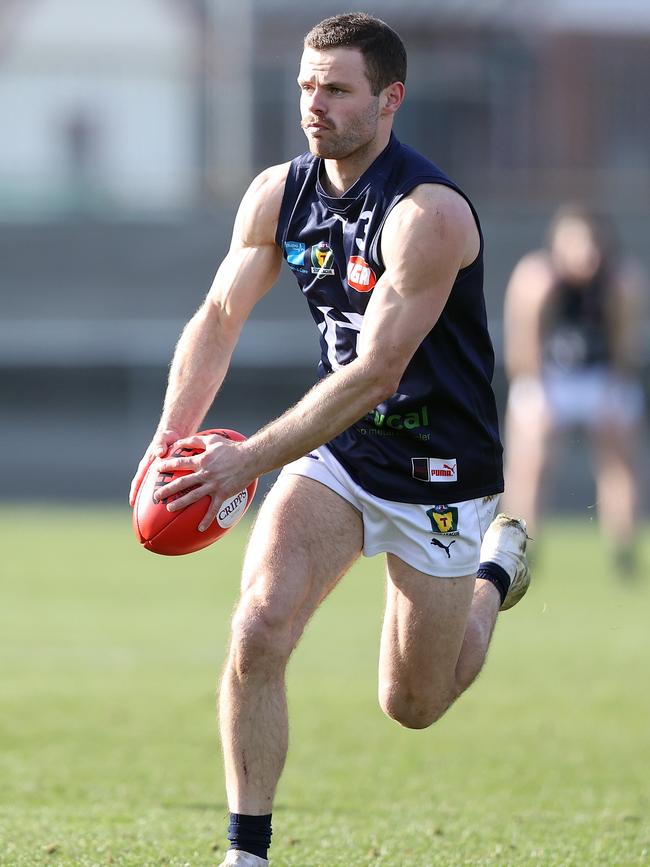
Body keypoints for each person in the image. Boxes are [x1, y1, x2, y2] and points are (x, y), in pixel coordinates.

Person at [129, 14, 531, 866]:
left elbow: (376, 373)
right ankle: (247, 852)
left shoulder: (429, 214)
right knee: (259, 628)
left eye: (337, 89)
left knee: (413, 702)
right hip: (340, 453)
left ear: (390, 99)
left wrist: (246, 458)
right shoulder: (280, 193)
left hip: (440, 473)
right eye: (307, 86)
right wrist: (173, 436)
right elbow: (217, 315)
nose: (315, 105)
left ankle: (496, 573)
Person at [502, 204, 646, 575]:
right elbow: (523, 348)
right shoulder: (538, 279)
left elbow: (623, 348)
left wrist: (614, 397)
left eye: (595, 243)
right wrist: (538, 397)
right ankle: (520, 550)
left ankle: (623, 551)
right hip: (547, 377)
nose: (588, 253)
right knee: (531, 457)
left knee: (620, 455)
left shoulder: (620, 281)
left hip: (601, 377)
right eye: (578, 243)